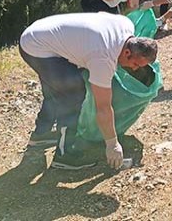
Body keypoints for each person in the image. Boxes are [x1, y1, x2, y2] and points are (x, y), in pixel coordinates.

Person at [20, 13, 158, 169]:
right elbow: (104, 108)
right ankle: (64, 155)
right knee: (72, 94)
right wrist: (112, 144)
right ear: (127, 52)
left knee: (56, 88)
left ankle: (41, 134)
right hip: (36, 46)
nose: (134, 69)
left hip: (40, 31)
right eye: (135, 64)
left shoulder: (126, 26)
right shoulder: (103, 58)